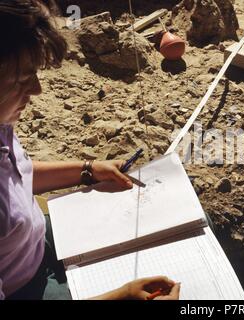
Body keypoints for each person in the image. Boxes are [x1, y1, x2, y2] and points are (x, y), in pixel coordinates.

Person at [0, 0, 180, 300]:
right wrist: (122, 298)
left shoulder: (1, 120)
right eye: (21, 79)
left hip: (33, 245)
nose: (36, 90)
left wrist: (87, 170)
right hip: (24, 289)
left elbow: (16, 179)